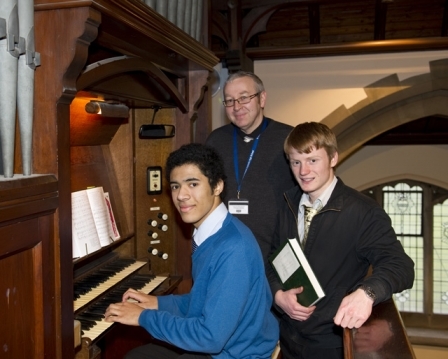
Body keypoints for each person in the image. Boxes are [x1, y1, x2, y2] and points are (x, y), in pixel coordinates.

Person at [105, 143, 279, 359]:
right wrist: (158, 303)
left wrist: (144, 318)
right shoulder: (214, 232)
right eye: (176, 186)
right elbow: (204, 302)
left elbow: (210, 337)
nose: (181, 195)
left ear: (217, 187)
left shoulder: (234, 249)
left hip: (236, 353)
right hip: (222, 344)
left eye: (193, 184)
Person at [266, 122, 414, 359]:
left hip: (331, 344)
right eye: (296, 162)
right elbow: (274, 258)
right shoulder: (288, 204)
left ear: (333, 158)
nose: (303, 171)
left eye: (312, 160)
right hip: (289, 339)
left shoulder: (363, 211)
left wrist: (367, 293)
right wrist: (277, 295)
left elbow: (401, 266)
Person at [206, 71, 295, 263]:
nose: (236, 107)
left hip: (276, 252)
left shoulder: (289, 138)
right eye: (229, 101)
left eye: (244, 98)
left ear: (262, 98)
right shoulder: (215, 140)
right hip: (226, 250)